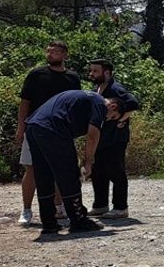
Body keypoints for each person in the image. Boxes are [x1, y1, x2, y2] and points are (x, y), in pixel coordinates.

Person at [25, 90, 123, 234]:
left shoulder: (86, 97)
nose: (108, 119)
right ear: (113, 106)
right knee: (69, 175)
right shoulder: (100, 103)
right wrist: (88, 162)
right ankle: (78, 220)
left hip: (33, 126)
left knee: (44, 175)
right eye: (112, 117)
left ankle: (48, 222)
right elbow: (93, 135)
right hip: (53, 129)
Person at [15, 41, 82, 226]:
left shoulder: (73, 78)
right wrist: (21, 127)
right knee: (31, 168)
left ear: (65, 55)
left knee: (60, 168)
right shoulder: (36, 74)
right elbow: (25, 103)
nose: (50, 54)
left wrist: (75, 129)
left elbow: (75, 105)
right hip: (35, 128)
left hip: (62, 130)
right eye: (49, 51)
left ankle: (59, 208)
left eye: (55, 52)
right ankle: (26, 210)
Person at [87, 59, 141, 219]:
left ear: (107, 73)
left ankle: (120, 207)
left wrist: (121, 119)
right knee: (98, 172)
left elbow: (133, 103)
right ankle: (100, 205)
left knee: (116, 171)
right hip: (101, 138)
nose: (92, 74)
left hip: (116, 139)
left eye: (95, 71)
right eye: (91, 70)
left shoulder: (116, 89)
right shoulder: (96, 89)